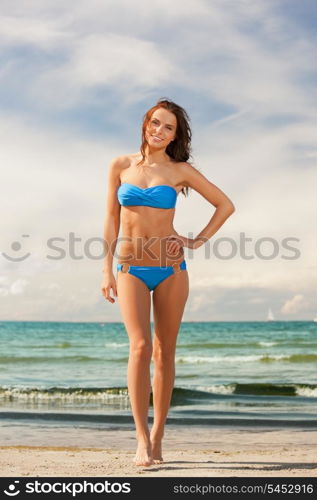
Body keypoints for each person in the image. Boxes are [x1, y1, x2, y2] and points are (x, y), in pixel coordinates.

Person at [101, 98, 235, 467]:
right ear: (145, 123)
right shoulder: (120, 165)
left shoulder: (180, 171)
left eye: (168, 127)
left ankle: (159, 434)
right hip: (129, 268)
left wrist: (195, 241)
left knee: (164, 352)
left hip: (171, 269)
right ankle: (141, 440)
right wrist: (105, 269)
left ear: (176, 135)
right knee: (140, 347)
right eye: (155, 123)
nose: (159, 131)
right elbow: (111, 218)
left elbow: (225, 205)